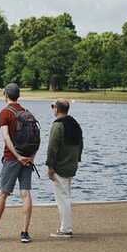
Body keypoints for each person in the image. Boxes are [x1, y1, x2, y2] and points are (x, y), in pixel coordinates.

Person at [0, 83, 36, 243]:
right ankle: (24, 233)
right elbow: (35, 137)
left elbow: (6, 138)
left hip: (12, 158)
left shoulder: (5, 113)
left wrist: (17, 156)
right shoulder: (27, 112)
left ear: (5, 95)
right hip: (28, 158)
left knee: (3, 193)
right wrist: (31, 157)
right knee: (25, 194)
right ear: (19, 95)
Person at [46, 98, 83, 238]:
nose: (53, 109)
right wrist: (76, 159)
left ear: (57, 109)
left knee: (63, 199)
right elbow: (81, 144)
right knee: (66, 196)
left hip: (60, 167)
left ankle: (66, 229)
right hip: (71, 166)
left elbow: (52, 147)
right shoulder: (75, 124)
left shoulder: (57, 126)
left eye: (53, 107)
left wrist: (50, 166)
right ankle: (65, 227)